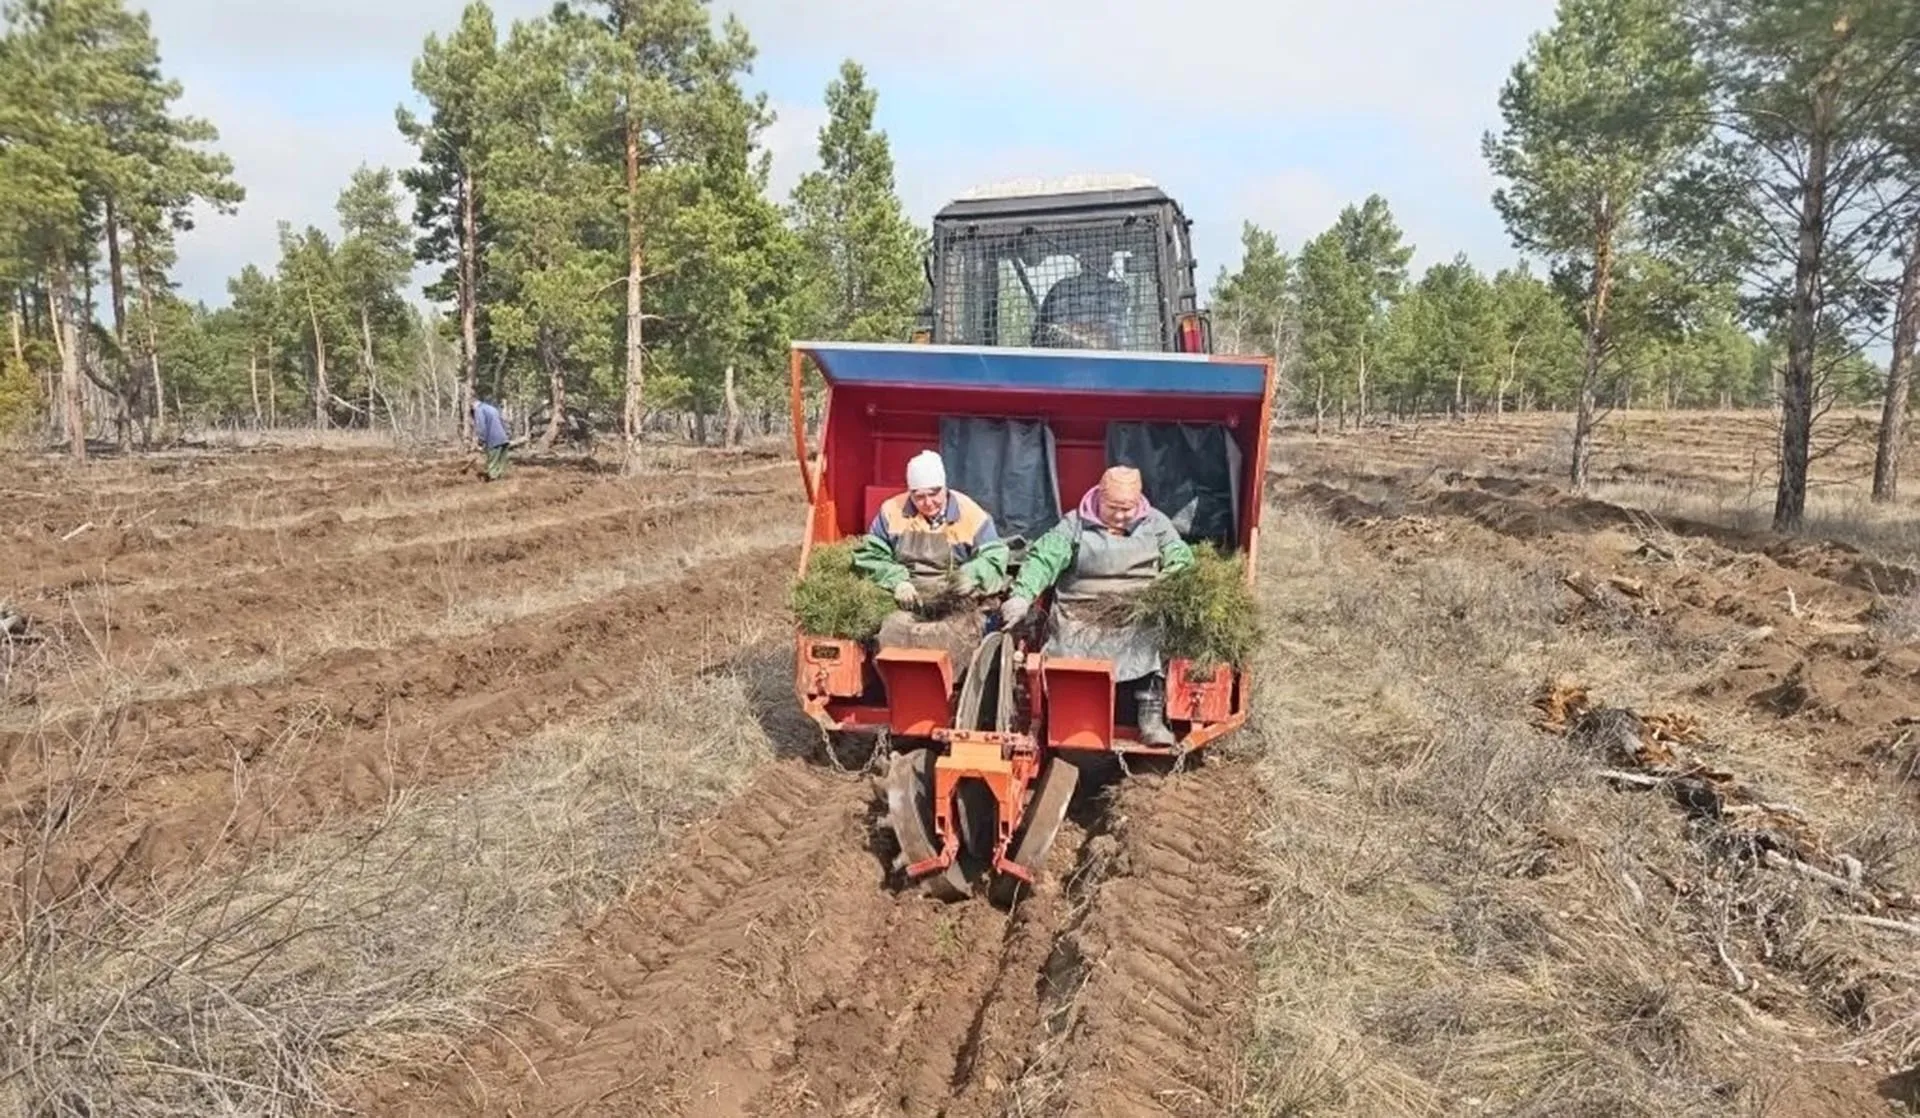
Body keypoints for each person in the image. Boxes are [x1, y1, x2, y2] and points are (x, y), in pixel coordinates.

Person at [999, 465, 1193, 746]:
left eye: (1128, 508)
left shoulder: (1157, 523)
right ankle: (1071, 714)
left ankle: (1150, 716)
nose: (1121, 515)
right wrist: (1022, 594)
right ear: (1099, 497)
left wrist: (1169, 578)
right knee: (1067, 637)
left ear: (1139, 500)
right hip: (1080, 608)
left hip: (1137, 608)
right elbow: (1044, 559)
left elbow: (1180, 556)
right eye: (1113, 507)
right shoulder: (1073, 524)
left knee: (1152, 634)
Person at [854, 449, 1010, 608]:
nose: (928, 503)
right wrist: (897, 582)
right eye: (919, 496)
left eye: (934, 494)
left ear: (945, 487)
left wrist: (968, 577)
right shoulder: (891, 511)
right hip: (906, 597)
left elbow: (995, 556)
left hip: (955, 598)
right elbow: (869, 555)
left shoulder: (971, 514)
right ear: (910, 492)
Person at [1033, 250, 1130, 349]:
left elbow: (1115, 340)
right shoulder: (1060, 289)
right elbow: (1042, 335)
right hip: (1062, 360)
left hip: (1103, 361)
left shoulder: (1117, 291)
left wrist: (1070, 333)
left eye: (1105, 256)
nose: (1098, 261)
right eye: (1093, 256)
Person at [470, 397, 511, 481]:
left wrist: (481, 441)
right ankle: (500, 480)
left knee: (492, 464)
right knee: (501, 464)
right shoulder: (492, 408)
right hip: (504, 439)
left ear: (472, 406)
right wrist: (507, 434)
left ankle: (492, 483)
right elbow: (503, 422)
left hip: (493, 440)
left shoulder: (479, 410)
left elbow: (481, 427)